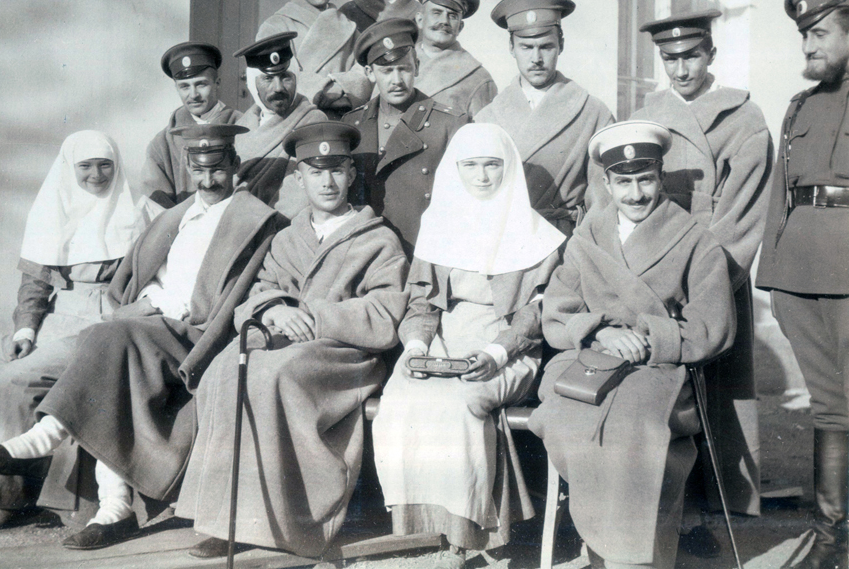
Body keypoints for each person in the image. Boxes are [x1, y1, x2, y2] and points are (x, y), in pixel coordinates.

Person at [0, 124, 282, 550]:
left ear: (235, 165)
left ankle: (47, 437)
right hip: (148, 322)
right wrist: (146, 300)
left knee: (109, 336)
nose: (208, 181)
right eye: (199, 170)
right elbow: (135, 280)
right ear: (189, 169)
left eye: (218, 170)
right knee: (110, 345)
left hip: (198, 332)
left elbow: (239, 293)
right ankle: (113, 509)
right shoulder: (175, 217)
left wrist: (164, 309)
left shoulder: (258, 221)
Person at [176, 122, 408, 559]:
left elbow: (384, 314)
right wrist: (273, 309)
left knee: (274, 376)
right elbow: (256, 292)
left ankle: (284, 518)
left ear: (351, 174)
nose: (327, 182)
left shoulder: (378, 239)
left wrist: (315, 315)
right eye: (315, 172)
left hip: (343, 354)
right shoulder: (287, 238)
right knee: (224, 370)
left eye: (336, 170)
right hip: (285, 340)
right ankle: (225, 516)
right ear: (299, 178)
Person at [528, 120, 736, 569]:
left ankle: (632, 558)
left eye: (646, 180)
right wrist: (600, 331)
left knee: (633, 428)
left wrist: (649, 338)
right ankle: (600, 546)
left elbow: (712, 326)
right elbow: (557, 312)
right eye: (624, 183)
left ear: (661, 178)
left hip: (657, 366)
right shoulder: (586, 237)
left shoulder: (695, 238)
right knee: (565, 418)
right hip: (590, 359)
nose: (636, 194)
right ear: (606, 184)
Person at [373, 123, 566, 569]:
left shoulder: (537, 234)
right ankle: (426, 529)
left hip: (509, 346)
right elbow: (422, 304)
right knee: (399, 399)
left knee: (461, 403)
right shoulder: (438, 225)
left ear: (508, 168)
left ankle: (469, 536)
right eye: (471, 166)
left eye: (492, 165)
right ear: (455, 170)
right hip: (443, 340)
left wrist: (496, 353)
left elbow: (536, 315)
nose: (481, 176)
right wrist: (416, 348)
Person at [626, 9, 774, 543]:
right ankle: (670, 506)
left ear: (711, 54)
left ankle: (721, 509)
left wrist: (703, 281)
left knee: (718, 386)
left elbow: (745, 212)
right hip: (655, 272)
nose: (681, 69)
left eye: (691, 56)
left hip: (716, 273)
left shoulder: (744, 117)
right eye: (670, 59)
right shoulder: (647, 116)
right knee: (664, 388)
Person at [0, 131, 141, 532]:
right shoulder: (55, 209)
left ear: (117, 166)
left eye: (105, 165)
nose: (96, 174)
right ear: (70, 169)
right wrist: (25, 331)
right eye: (85, 166)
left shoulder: (137, 213)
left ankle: (12, 502)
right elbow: (35, 285)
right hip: (54, 319)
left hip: (104, 321)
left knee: (15, 385)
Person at [756, 0, 849, 569]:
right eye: (804, 36)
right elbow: (781, 195)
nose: (808, 47)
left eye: (820, 34)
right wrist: (773, 274)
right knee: (829, 406)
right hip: (800, 275)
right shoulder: (800, 106)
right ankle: (831, 536)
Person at [475, 0, 614, 235]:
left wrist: (583, 248)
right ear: (511, 48)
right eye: (526, 47)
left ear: (561, 45)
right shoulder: (486, 119)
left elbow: (604, 200)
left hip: (566, 241)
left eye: (546, 47)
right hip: (503, 239)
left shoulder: (593, 113)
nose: (536, 58)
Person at [344, 18, 465, 254]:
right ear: (369, 73)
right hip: (364, 253)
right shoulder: (351, 124)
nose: (397, 81)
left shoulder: (450, 124)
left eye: (404, 69)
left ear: (417, 67)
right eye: (387, 71)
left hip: (421, 253)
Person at [257, 0, 372, 120]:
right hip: (292, 120)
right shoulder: (276, 26)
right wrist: (323, 91)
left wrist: (341, 88)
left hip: (340, 120)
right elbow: (276, 78)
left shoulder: (348, 26)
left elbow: (364, 69)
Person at [233, 32, 328, 217]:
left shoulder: (313, 121)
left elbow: (296, 199)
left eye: (285, 77)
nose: (278, 88)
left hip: (275, 222)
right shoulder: (242, 125)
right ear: (253, 83)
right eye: (268, 79)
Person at [141, 42, 242, 212]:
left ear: (217, 83)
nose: (193, 95)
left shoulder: (242, 126)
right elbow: (156, 201)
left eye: (201, 84)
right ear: (176, 88)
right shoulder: (162, 143)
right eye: (185, 86)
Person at [412, 0, 497, 118]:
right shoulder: (397, 63)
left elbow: (484, 130)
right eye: (437, 13)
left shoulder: (478, 79)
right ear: (420, 20)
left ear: (460, 27)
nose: (444, 21)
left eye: (452, 16)